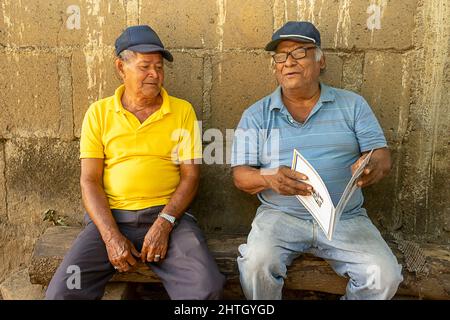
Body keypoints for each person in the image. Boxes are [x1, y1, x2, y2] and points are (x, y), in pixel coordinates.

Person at [46, 25, 225, 300]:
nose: (155, 74)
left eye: (159, 67)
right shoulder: (99, 113)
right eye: (145, 66)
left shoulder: (181, 111)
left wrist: (164, 223)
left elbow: (190, 177)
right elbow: (89, 181)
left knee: (207, 287)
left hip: (169, 219)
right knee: (62, 292)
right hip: (111, 218)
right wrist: (110, 237)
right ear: (121, 67)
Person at [231, 21, 403, 300]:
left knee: (384, 275)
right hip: (281, 217)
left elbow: (382, 156)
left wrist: (371, 166)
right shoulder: (256, 114)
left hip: (344, 217)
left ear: (321, 60)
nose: (288, 62)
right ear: (275, 66)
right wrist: (268, 178)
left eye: (299, 53)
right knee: (256, 264)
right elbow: (240, 176)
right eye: (280, 56)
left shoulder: (352, 105)